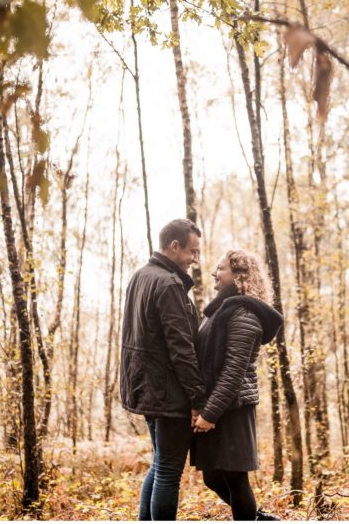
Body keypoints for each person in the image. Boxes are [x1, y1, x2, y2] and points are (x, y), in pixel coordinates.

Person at [120, 218, 207, 521]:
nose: (195, 259)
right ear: (174, 246)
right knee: (169, 472)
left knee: (160, 465)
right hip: (168, 394)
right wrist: (197, 399)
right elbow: (181, 348)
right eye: (192, 252)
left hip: (147, 388)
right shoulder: (169, 283)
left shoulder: (140, 276)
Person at [191, 250, 283, 521]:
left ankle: (251, 518)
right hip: (218, 405)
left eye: (220, 269)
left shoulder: (244, 313)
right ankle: (257, 517)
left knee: (235, 479)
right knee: (213, 477)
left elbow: (234, 371)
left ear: (240, 275)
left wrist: (210, 413)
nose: (214, 274)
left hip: (233, 408)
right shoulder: (221, 310)